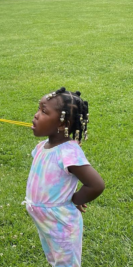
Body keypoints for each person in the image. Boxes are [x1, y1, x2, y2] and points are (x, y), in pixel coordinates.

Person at [26, 87, 105, 266]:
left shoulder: (68, 152)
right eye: (38, 109)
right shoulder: (42, 147)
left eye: (44, 111)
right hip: (45, 221)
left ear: (62, 124)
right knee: (55, 260)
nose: (36, 115)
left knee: (66, 263)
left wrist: (74, 199)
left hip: (62, 223)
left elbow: (96, 184)